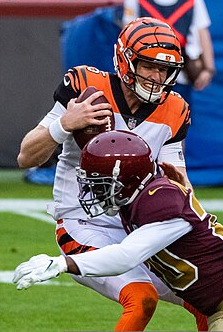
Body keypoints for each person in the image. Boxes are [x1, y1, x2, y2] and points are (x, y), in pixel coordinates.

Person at [17, 17, 207, 331]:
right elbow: (26, 156)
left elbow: (178, 180)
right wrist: (64, 124)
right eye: (148, 66)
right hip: (83, 223)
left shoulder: (175, 109)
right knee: (141, 297)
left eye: (164, 70)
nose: (156, 77)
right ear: (125, 59)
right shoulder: (87, 89)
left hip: (137, 226)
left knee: (208, 297)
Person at [13, 130, 223, 331]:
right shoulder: (135, 201)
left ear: (127, 180)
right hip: (220, 312)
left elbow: (126, 256)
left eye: (100, 183)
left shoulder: (160, 200)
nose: (91, 191)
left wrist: (63, 263)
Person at [122, 0, 215, 93]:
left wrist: (209, 68)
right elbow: (128, 34)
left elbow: (202, 31)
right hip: (147, 76)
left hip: (180, 73)